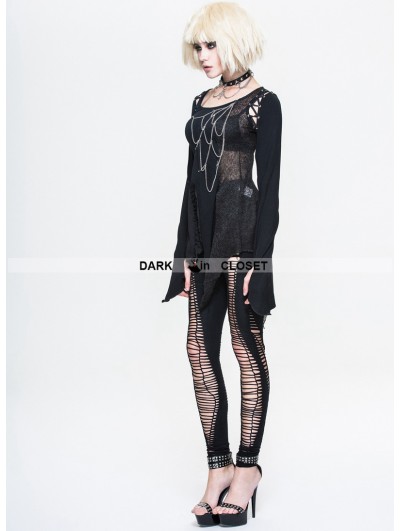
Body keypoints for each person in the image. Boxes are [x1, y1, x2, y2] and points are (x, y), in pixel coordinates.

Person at [161, 1, 282, 526]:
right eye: (198, 46)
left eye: (211, 44)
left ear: (234, 41)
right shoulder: (201, 101)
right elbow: (191, 182)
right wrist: (183, 254)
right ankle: (218, 468)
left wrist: (260, 260)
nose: (203, 55)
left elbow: (270, 188)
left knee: (243, 346)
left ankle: (248, 469)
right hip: (203, 240)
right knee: (198, 349)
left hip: (241, 236)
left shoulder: (264, 103)